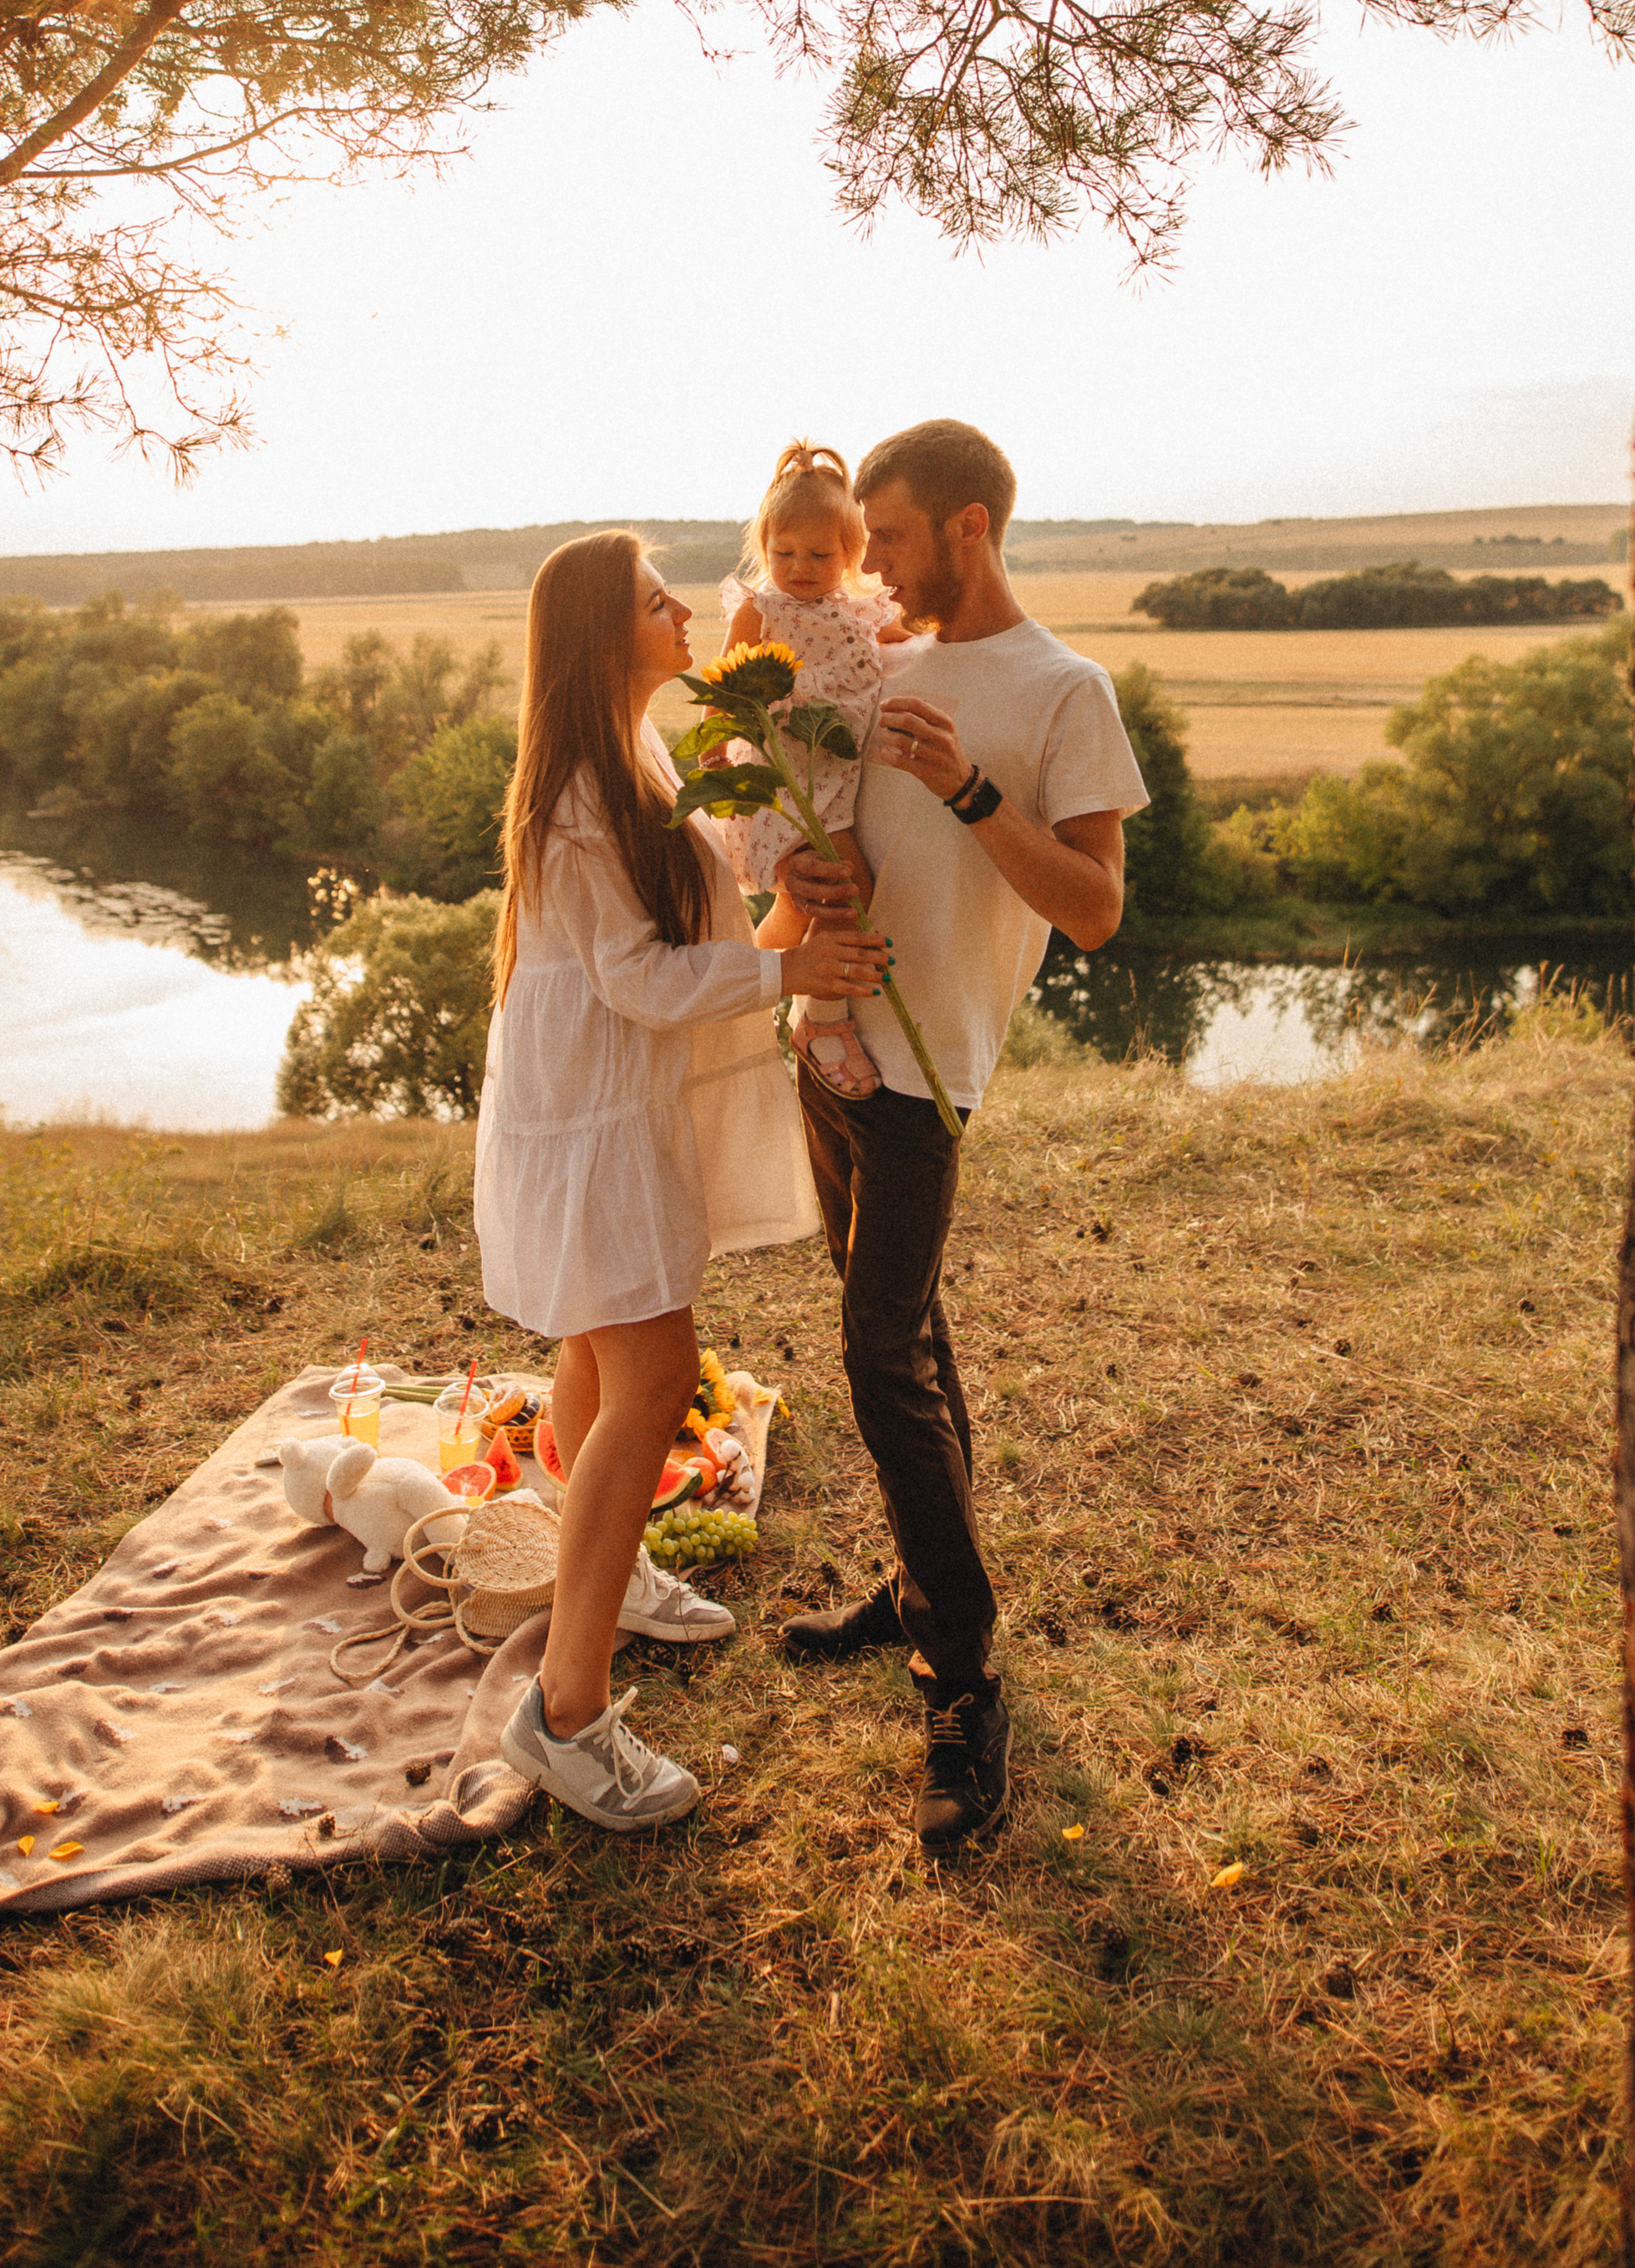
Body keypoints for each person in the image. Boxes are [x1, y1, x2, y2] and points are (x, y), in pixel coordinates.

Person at [767, 420, 1149, 1851]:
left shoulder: (1065, 692)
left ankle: (962, 1678)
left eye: (895, 537)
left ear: (971, 529)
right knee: (905, 1338)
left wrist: (972, 791)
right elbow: (827, 839)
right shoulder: (872, 662)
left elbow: (1098, 911)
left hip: (932, 1082)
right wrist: (806, 865)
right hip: (830, 1054)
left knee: (878, 1350)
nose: (868, 564)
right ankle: (925, 1585)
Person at [475, 530, 891, 1834]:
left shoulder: (643, 756)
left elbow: (712, 937)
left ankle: (607, 1562)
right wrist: (795, 975)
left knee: (607, 1353)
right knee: (652, 1375)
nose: (684, 612)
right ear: (607, 634)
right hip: (584, 1117)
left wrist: (795, 903)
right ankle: (568, 1710)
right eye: (659, 600)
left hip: (612, 1103)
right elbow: (645, 985)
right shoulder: (576, 800)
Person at [712, 439, 909, 1104]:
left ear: (852, 554)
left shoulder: (861, 613)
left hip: (834, 780)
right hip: (786, 784)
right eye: (783, 553)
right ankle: (821, 1025)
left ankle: (737, 996)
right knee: (846, 890)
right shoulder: (763, 610)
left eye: (821, 555)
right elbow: (727, 686)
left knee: (798, 907)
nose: (799, 568)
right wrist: (716, 760)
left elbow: (917, 645)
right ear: (763, 548)